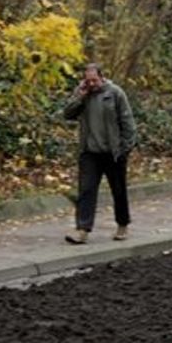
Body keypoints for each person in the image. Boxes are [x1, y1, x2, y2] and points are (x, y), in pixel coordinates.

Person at [60, 63, 137, 244]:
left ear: (102, 77)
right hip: (90, 152)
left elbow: (127, 121)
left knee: (118, 191)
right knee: (86, 191)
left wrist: (125, 147)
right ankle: (82, 230)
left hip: (113, 152)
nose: (92, 84)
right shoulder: (82, 94)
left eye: (94, 80)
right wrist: (80, 97)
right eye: (88, 81)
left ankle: (122, 224)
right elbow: (67, 114)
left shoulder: (115, 93)